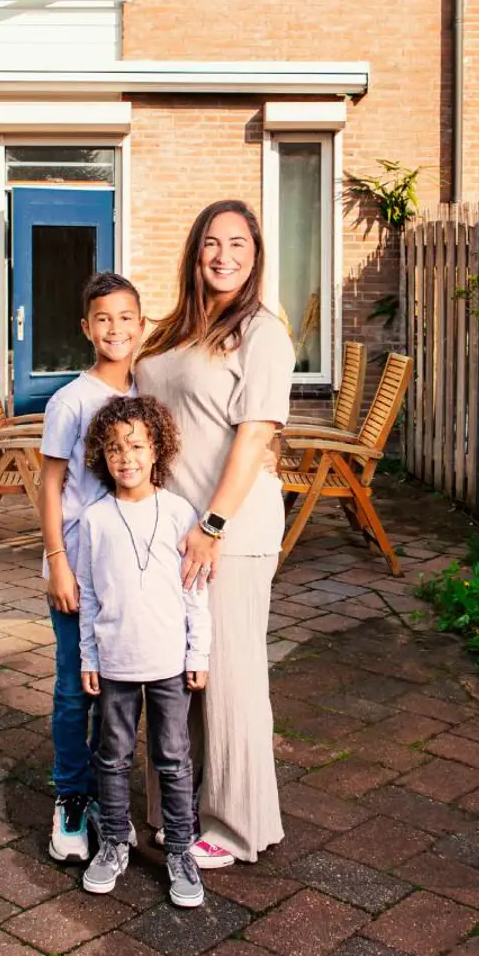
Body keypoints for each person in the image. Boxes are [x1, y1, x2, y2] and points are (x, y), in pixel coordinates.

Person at [136, 199, 295, 865]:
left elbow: (257, 434)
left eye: (237, 243)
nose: (223, 254)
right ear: (194, 252)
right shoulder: (176, 327)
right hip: (172, 530)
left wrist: (213, 523)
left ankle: (236, 826)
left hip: (230, 529)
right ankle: (176, 806)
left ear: (255, 255)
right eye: (210, 242)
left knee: (229, 677)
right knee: (174, 676)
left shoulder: (261, 332)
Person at [77, 395, 209, 909]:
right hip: (114, 662)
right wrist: (89, 656)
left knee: (173, 759)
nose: (125, 457)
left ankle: (179, 849)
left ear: (157, 449)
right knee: (110, 757)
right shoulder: (94, 520)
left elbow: (196, 589)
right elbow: (88, 595)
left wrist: (199, 652)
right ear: (102, 457)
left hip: (170, 663)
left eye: (135, 445)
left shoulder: (180, 514)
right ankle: (113, 840)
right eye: (113, 449)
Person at [37, 271, 142, 863]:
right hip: (76, 571)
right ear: (85, 328)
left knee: (118, 692)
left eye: (125, 317)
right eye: (103, 318)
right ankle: (70, 797)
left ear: (141, 324)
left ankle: (109, 796)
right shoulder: (70, 401)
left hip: (124, 575)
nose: (115, 329)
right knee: (75, 690)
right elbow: (50, 487)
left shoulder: (141, 397)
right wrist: (57, 563)